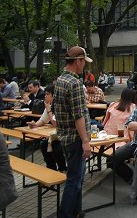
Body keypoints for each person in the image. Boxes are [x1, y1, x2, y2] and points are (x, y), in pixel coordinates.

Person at [54, 46, 92, 218]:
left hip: (64, 136)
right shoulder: (75, 83)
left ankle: (77, 211)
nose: (85, 65)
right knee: (74, 180)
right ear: (78, 61)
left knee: (76, 178)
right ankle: (65, 214)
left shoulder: (60, 80)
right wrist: (85, 141)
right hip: (76, 138)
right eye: (84, 61)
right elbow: (78, 116)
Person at [28, 85, 67, 172]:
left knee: (57, 148)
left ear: (54, 95)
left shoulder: (60, 105)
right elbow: (43, 120)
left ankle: (62, 169)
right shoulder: (49, 105)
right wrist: (34, 124)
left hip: (65, 134)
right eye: (45, 94)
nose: (45, 96)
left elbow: (55, 123)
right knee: (43, 145)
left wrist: (49, 110)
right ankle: (51, 169)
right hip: (56, 135)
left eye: (47, 94)